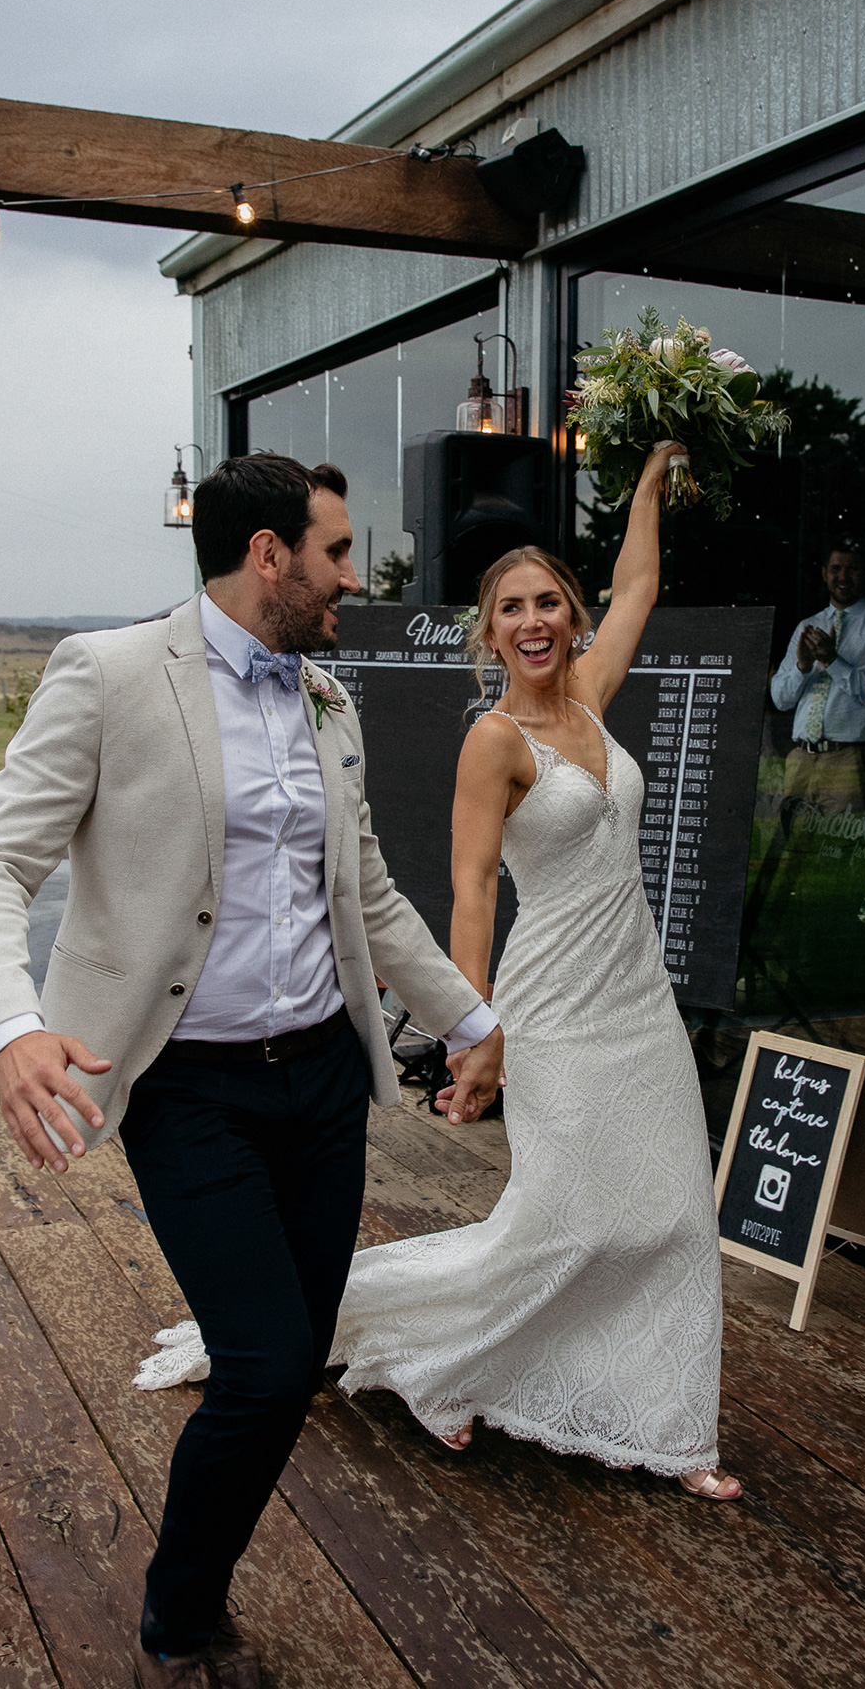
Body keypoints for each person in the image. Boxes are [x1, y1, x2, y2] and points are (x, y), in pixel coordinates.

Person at [0, 453, 504, 1689]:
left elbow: (367, 893)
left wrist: (469, 1018)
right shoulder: (107, 675)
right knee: (258, 1365)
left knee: (296, 1361)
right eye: (339, 551)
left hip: (320, 1082)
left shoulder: (329, 700)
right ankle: (179, 1621)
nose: (355, 575)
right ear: (270, 556)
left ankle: (191, 1596)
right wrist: (9, 1027)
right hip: (190, 1090)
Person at [140, 442, 741, 1500]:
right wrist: (476, 1027)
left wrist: (646, 487)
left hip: (638, 1000)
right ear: (489, 629)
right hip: (553, 1001)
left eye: (549, 600)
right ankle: (438, 1363)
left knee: (679, 1212)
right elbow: (471, 894)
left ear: (572, 614)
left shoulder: (594, 695)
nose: (534, 621)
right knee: (567, 1218)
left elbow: (640, 581)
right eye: (511, 608)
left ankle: (674, 1428)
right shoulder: (493, 740)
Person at [769, 541, 865, 819]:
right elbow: (780, 699)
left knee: (841, 850)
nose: (843, 577)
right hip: (801, 756)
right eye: (836, 569)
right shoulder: (809, 625)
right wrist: (802, 665)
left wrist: (833, 661)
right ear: (824, 573)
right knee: (796, 849)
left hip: (849, 756)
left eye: (852, 569)